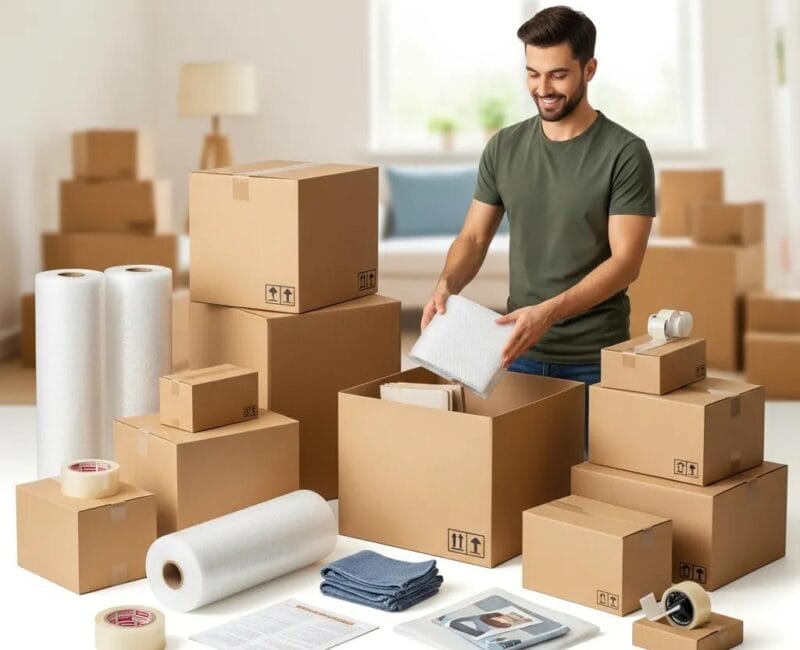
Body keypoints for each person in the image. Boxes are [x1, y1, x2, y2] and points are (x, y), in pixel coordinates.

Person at [421, 5, 655, 446]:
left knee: (592, 495)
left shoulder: (625, 153)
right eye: (532, 73)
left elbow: (626, 262)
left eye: (558, 75)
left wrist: (548, 312)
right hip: (516, 354)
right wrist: (446, 285)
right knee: (520, 489)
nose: (542, 88)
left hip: (593, 360)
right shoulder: (504, 147)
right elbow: (473, 237)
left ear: (590, 69)